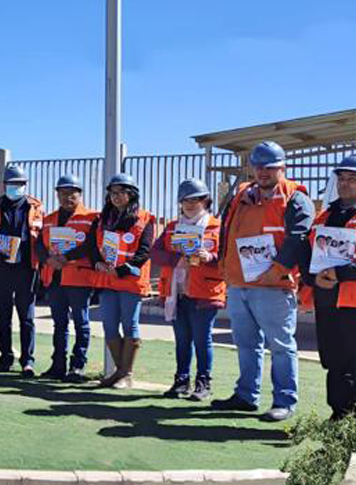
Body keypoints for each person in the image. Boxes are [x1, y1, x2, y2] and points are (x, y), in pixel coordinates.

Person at [211, 141, 313, 422]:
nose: (263, 172)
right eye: (258, 166)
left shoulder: (295, 198)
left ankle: (284, 401)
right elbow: (226, 230)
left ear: (282, 167)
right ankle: (245, 396)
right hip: (239, 285)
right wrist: (224, 267)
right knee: (245, 344)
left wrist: (278, 269)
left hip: (273, 287)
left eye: (270, 167)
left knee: (280, 346)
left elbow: (299, 238)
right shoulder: (242, 194)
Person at [151, 179, 225, 401]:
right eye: (186, 200)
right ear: (180, 203)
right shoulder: (173, 227)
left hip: (204, 294)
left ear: (206, 201)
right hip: (177, 293)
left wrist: (209, 257)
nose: (191, 204)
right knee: (182, 340)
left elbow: (227, 258)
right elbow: (155, 254)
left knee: (203, 339)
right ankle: (181, 380)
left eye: (197, 199)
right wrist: (176, 258)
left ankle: (203, 382)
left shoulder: (217, 226)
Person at [0, 164, 44, 376]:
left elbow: (43, 237)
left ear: (25, 185)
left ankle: (27, 361)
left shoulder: (35, 208)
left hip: (26, 270)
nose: (16, 188)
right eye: (12, 184)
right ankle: (5, 358)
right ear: (4, 185)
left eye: (20, 184)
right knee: (3, 316)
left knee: (27, 318)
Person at [87, 173, 154, 389]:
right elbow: (91, 246)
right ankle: (120, 372)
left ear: (131, 194)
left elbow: (145, 252)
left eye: (121, 192)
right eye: (112, 193)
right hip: (107, 281)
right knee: (109, 327)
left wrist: (122, 270)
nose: (115, 197)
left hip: (130, 282)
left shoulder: (145, 218)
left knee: (129, 325)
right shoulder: (101, 219)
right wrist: (97, 262)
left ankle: (127, 375)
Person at [301, 155, 356, 420]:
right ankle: (337, 414)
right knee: (333, 360)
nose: (345, 184)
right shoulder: (324, 215)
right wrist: (314, 279)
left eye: (352, 179)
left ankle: (349, 419)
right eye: (342, 179)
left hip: (353, 301)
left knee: (352, 362)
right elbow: (306, 255)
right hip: (327, 299)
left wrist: (340, 272)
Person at [35, 175, 98, 382]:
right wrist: (47, 259)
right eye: (63, 193)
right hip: (54, 278)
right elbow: (39, 245)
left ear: (80, 194)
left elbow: (91, 245)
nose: (67, 197)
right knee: (59, 323)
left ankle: (77, 366)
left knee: (81, 322)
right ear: (57, 195)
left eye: (72, 193)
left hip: (79, 277)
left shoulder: (91, 217)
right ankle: (58, 365)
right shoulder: (49, 219)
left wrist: (66, 257)